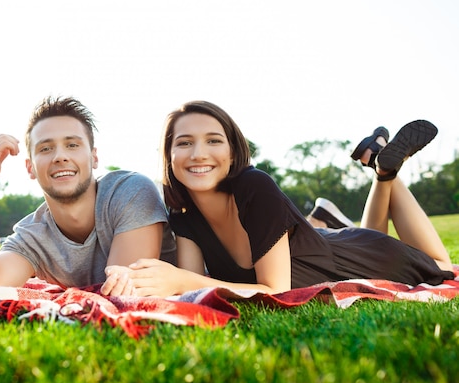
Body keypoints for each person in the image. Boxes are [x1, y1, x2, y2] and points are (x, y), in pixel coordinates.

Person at [104, 101, 454, 297]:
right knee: (370, 232)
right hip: (341, 248)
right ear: (169, 155)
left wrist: (181, 280)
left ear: (232, 151)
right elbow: (193, 288)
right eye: (183, 143)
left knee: (441, 265)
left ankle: (384, 173)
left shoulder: (255, 187)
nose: (198, 153)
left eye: (213, 140)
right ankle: (380, 168)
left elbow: (275, 290)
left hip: (374, 259)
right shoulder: (182, 210)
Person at [0, 96, 176, 295]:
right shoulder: (33, 236)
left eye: (72, 145)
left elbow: (122, 292)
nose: (60, 156)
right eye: (45, 149)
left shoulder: (131, 191)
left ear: (94, 157)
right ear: (30, 168)